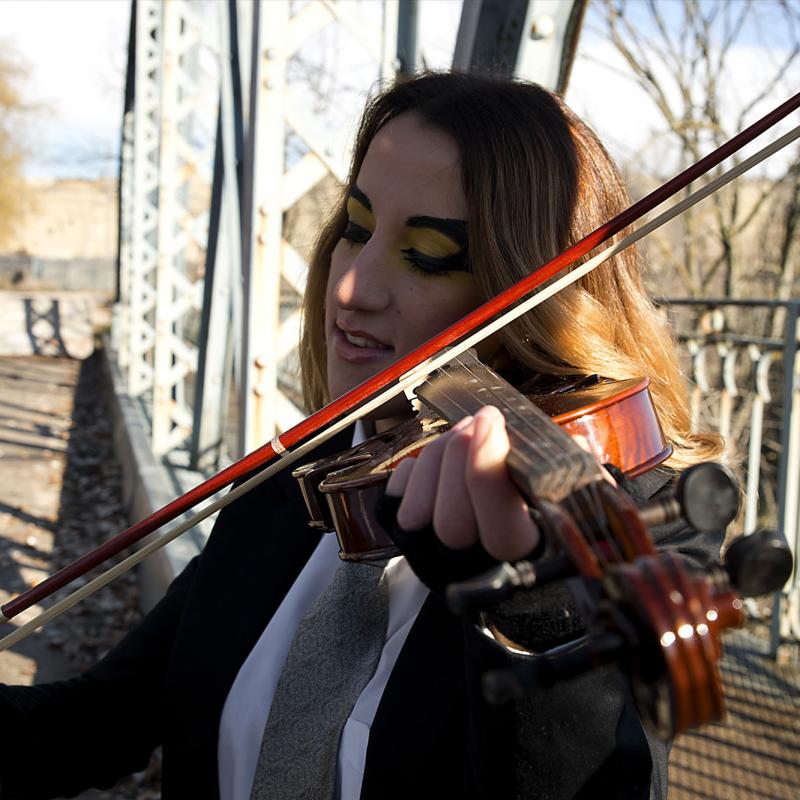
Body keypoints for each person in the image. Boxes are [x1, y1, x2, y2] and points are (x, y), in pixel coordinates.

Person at [0, 72, 724, 800]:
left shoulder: (623, 530)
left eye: (429, 255)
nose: (351, 288)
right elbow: (97, 722)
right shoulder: (308, 483)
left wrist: (535, 608)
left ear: (539, 295)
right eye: (355, 226)